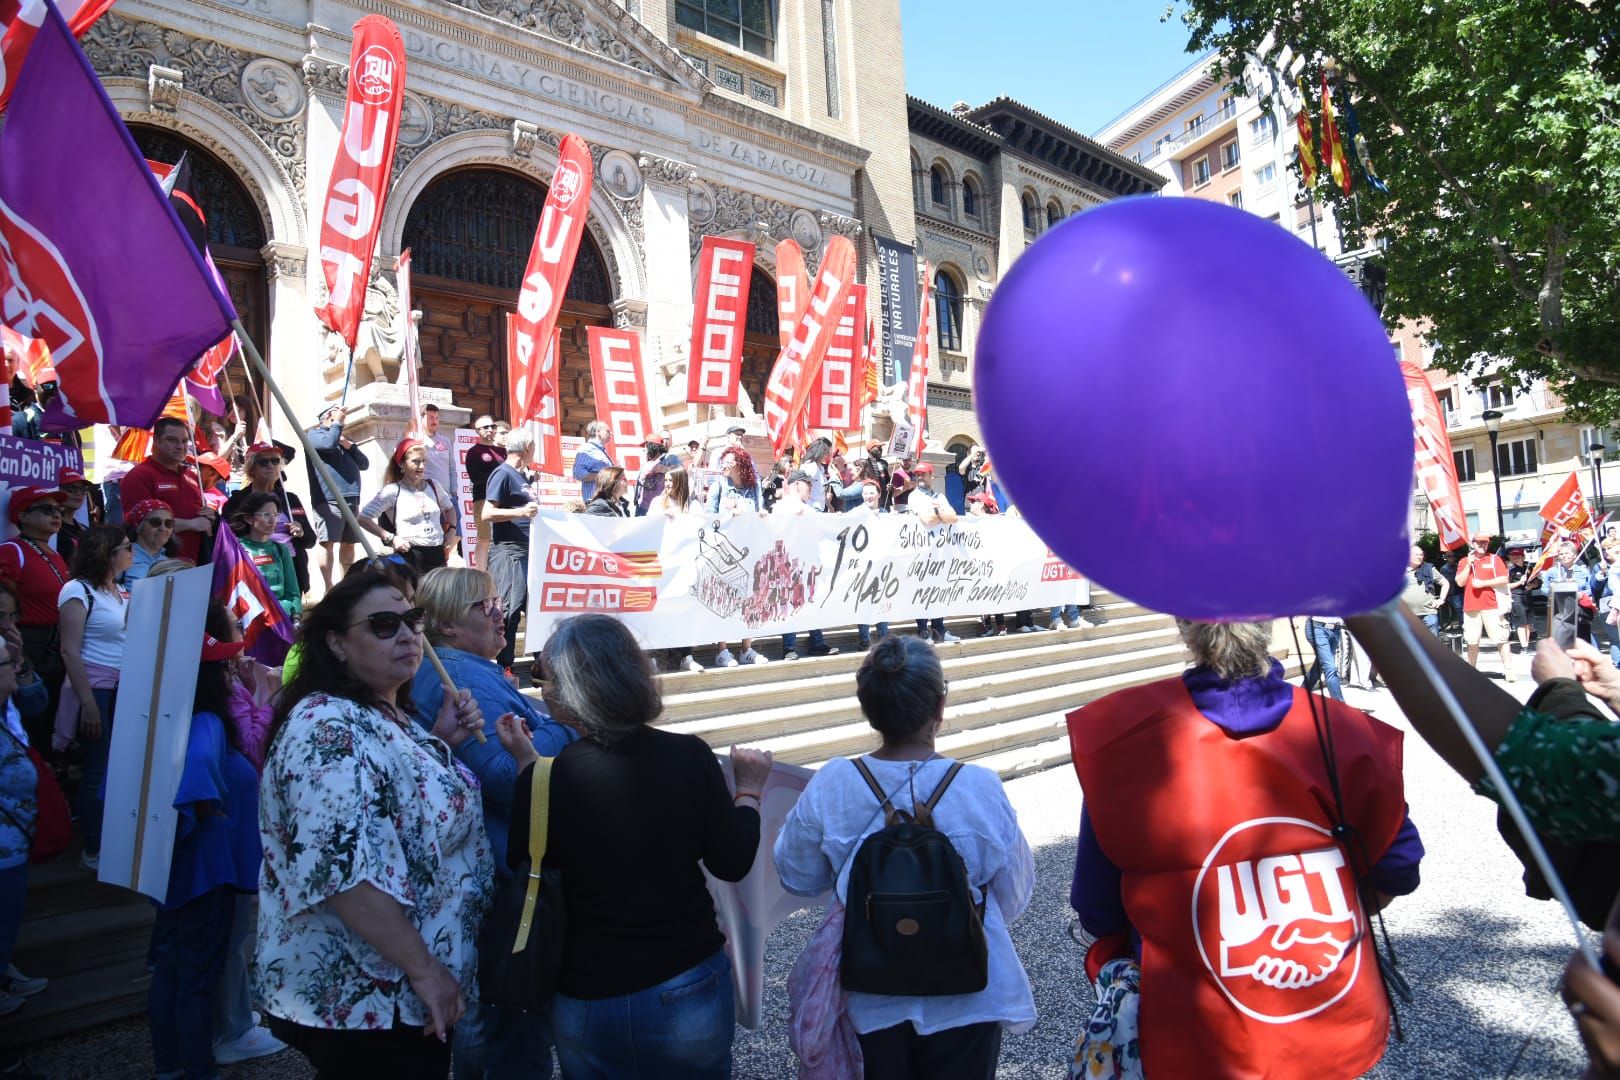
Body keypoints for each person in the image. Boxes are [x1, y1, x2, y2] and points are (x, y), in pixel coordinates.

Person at [1069, 619, 1423, 1078]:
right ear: (1271, 615)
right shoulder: (1342, 732)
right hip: (1328, 1019)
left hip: (1193, 1035)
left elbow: (1098, 912)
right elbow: (1398, 869)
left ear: (1181, 623)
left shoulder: (1122, 742)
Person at [493, 614, 770, 1078]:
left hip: (587, 989)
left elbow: (527, 863)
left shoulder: (543, 781)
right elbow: (732, 860)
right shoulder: (688, 757)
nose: (542, 689)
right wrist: (749, 792)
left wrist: (528, 768)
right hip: (682, 973)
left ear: (569, 692)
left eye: (546, 677)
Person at [257, 563, 490, 1076]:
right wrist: (426, 972)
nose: (407, 633)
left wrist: (443, 742)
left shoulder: (381, 713)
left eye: (413, 619)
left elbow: (396, 804)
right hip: (370, 995)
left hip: (393, 991)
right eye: (384, 625)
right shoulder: (326, 729)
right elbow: (340, 875)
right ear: (338, 644)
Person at [775, 635, 1036, 1077]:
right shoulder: (979, 786)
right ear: (939, 707)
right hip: (966, 992)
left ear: (868, 708)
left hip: (868, 990)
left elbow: (797, 876)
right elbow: (1014, 897)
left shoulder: (834, 782)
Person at [410, 568, 575, 1078]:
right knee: (504, 1019)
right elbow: (506, 775)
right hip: (501, 871)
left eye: (498, 600)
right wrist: (565, 724)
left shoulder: (470, 668)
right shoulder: (456, 676)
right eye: (485, 605)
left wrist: (542, 729)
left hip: (490, 868)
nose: (500, 611)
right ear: (447, 626)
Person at [147, 608, 263, 1080]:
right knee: (195, 977)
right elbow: (196, 777)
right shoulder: (208, 724)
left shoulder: (169, 717)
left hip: (174, 868)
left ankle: (170, 1065)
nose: (230, 667)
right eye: (221, 664)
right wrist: (205, 812)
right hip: (206, 871)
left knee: (172, 970)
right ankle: (196, 1070)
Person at [55, 525, 131, 872]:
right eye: (126, 547)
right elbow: (70, 651)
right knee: (98, 768)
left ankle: (114, 839)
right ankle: (94, 846)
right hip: (95, 688)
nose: (131, 553)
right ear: (107, 552)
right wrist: (87, 703)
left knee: (117, 767)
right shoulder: (76, 590)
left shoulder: (119, 591)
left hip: (124, 689)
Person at [0, 596, 51, 1022]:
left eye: (12, 616)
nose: (8, 626)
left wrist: (20, 664)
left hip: (16, 836)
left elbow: (35, 705)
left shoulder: (10, 684)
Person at [0, 488, 71, 747]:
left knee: (49, 713)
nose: (56, 515)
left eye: (59, 511)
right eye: (47, 509)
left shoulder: (54, 554)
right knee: (31, 717)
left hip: (55, 644)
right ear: (23, 516)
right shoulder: (12, 550)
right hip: (27, 643)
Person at [223, 443, 316, 597]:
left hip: (291, 566)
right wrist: (256, 527)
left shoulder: (290, 499)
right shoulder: (238, 501)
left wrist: (300, 532)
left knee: (291, 616)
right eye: (263, 462)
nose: (270, 465)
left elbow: (310, 541)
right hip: (255, 567)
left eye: (275, 461)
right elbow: (228, 540)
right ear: (251, 469)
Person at [480, 428, 539, 672]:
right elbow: (487, 513)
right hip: (509, 553)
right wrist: (521, 512)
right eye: (534, 447)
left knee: (535, 610)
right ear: (527, 447)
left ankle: (543, 665)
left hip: (528, 551)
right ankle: (504, 666)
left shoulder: (521, 476)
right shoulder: (502, 474)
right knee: (510, 610)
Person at [120, 416, 214, 564]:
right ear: (156, 441)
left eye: (184, 441)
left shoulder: (191, 475)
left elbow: (197, 513)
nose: (180, 446)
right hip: (156, 566)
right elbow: (139, 523)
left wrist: (209, 515)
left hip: (194, 562)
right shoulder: (138, 476)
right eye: (172, 440)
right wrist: (191, 524)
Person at [359, 439, 459, 575]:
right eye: (415, 461)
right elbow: (363, 518)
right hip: (410, 554)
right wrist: (391, 538)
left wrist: (452, 530)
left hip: (437, 553)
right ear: (401, 464)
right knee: (414, 595)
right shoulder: (392, 490)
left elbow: (449, 508)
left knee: (438, 595)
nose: (421, 466)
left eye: (424, 461)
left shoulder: (434, 485)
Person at [706, 448, 767, 667]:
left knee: (748, 599)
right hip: (725, 550)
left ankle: (746, 649)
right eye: (723, 461)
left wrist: (762, 514)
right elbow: (708, 517)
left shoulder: (754, 486)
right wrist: (727, 516)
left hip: (750, 549)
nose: (724, 464)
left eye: (729, 461)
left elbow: (762, 511)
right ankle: (722, 651)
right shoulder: (718, 486)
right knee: (724, 598)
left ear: (741, 463)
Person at [775, 472, 838, 660]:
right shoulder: (783, 506)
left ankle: (817, 643)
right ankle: (789, 647)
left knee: (811, 600)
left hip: (809, 561)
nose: (810, 488)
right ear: (795, 485)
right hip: (789, 562)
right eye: (807, 484)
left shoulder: (806, 507)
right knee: (790, 603)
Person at [307, 405, 370, 592]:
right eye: (335, 412)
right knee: (328, 541)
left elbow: (364, 463)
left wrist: (349, 445)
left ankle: (346, 582)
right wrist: (336, 425)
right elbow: (326, 445)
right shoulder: (315, 434)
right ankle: (328, 585)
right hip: (329, 498)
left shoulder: (341, 437)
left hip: (351, 498)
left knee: (349, 542)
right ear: (327, 415)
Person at [647, 467, 704, 673]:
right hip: (662, 564)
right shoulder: (657, 503)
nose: (667, 484)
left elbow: (700, 529)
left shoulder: (693, 505)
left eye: (671, 480)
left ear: (681, 481)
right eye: (666, 480)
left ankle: (685, 655)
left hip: (686, 564)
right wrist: (661, 517)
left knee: (684, 609)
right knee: (658, 609)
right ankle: (653, 656)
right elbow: (646, 527)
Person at [901, 466, 962, 645]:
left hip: (941, 550)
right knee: (923, 590)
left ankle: (939, 629)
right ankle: (923, 630)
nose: (920, 477)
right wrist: (939, 513)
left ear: (931, 476)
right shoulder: (914, 496)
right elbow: (926, 520)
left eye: (923, 474)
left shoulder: (940, 496)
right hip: (922, 550)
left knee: (938, 588)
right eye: (917, 474)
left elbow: (953, 517)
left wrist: (936, 514)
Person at [229, 493, 302, 619]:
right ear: (248, 518)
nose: (273, 520)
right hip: (248, 618)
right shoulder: (235, 549)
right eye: (266, 515)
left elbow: (293, 592)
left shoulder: (280, 549)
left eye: (275, 515)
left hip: (280, 617)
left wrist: (295, 616)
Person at [1458, 531, 1515, 678]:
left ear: (1488, 544)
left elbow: (1504, 579)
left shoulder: (1495, 560)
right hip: (1471, 607)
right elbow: (1460, 582)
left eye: (1485, 542)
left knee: (1501, 639)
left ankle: (1509, 670)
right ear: (1472, 543)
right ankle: (1471, 671)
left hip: (1492, 606)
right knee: (1472, 641)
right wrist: (1468, 566)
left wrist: (1483, 583)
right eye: (1478, 542)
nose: (1482, 545)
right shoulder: (1464, 561)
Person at [122, 499, 176, 589]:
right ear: (138, 526)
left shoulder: (169, 561)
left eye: (168, 523)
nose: (163, 528)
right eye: (155, 522)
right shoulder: (121, 556)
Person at [1403, 543, 1448, 635]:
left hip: (1428, 614)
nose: (1420, 557)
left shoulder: (1428, 569)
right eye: (1417, 555)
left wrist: (1441, 600)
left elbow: (1445, 583)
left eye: (1421, 554)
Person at [633, 432, 682, 516]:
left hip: (660, 508)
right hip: (642, 508)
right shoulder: (645, 464)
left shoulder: (670, 458)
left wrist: (667, 470)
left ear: (653, 446)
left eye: (646, 446)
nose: (644, 449)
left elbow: (682, 474)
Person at [1302, 614, 1347, 701]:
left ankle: (1299, 695)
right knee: (1330, 668)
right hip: (1317, 628)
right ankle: (1340, 706)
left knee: (1318, 667)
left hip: (1335, 630)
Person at [53, 467, 92, 565]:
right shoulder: (52, 529)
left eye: (82, 489)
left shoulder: (84, 529)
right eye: (71, 489)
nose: (78, 493)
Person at [572, 420, 614, 501]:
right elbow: (578, 473)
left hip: (605, 501)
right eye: (607, 431)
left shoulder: (600, 450)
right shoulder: (587, 449)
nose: (610, 434)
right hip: (595, 502)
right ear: (598, 432)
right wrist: (603, 475)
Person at [1506, 545, 1536, 652]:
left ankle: (1527, 645)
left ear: (1523, 557)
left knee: (1528, 623)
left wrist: (1532, 585)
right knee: (1521, 623)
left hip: (1527, 597)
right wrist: (1519, 582)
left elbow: (1537, 582)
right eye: (1513, 556)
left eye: (1518, 556)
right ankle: (1523, 647)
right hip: (1516, 597)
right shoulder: (1510, 570)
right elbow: (1506, 586)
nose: (1515, 558)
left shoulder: (1529, 568)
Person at [418, 404, 453, 494]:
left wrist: (454, 492)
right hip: (425, 495)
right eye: (431, 418)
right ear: (421, 419)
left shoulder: (446, 441)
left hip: (447, 497)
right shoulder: (414, 441)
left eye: (437, 418)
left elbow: (452, 469)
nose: (434, 421)